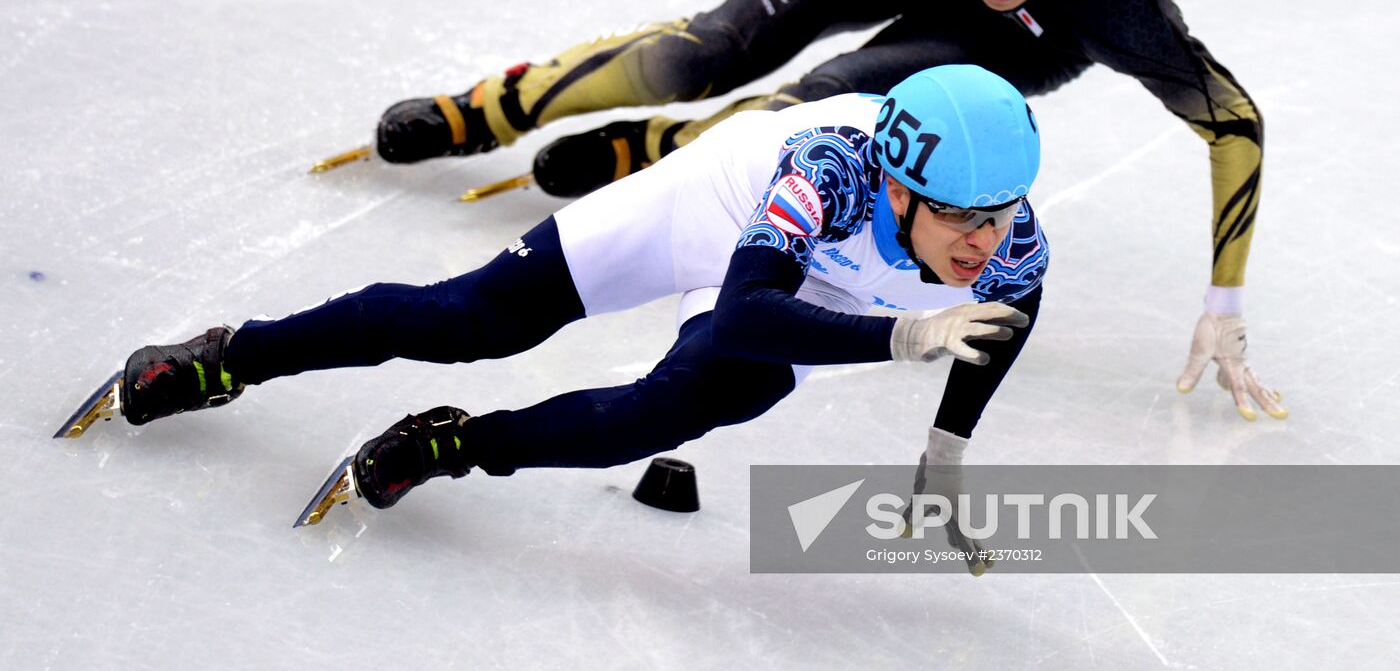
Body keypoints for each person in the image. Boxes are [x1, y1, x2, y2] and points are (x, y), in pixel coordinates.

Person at [365, 0, 1280, 422]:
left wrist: (1223, 303)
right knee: (710, 50)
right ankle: (491, 107)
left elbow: (1234, 123)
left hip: (1033, 39)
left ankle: (663, 149)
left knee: (802, 116)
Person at [99, 66, 1045, 528]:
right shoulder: (833, 167)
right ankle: (231, 356)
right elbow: (749, 309)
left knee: (656, 416)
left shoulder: (1008, 239)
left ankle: (453, 444)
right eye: (963, 220)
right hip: (709, 210)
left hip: (816, 280)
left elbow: (1010, 317)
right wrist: (910, 330)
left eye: (998, 220)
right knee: (465, 320)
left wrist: (946, 449)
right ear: (897, 187)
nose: (983, 244)